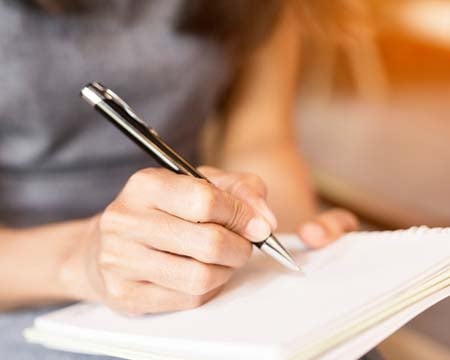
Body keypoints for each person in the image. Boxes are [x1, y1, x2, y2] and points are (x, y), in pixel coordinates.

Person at [0, 0, 367, 358]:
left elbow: (260, 143)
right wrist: (81, 261)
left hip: (196, 250)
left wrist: (287, 235)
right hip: (27, 282)